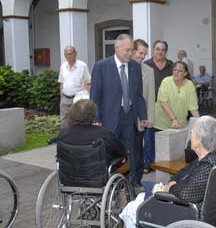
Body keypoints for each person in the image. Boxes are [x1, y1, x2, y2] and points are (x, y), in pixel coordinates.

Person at [119, 116, 216, 228]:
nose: (190, 137)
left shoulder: (207, 165)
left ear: (200, 139)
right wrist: (173, 183)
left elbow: (186, 193)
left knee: (134, 207)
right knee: (141, 194)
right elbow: (182, 173)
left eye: (191, 133)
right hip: (199, 208)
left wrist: (170, 188)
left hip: (186, 212)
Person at [90, 34, 147, 190]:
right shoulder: (101, 66)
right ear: (116, 48)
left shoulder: (135, 67)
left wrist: (143, 116)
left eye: (131, 50)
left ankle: (131, 185)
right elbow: (94, 96)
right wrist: (96, 119)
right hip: (109, 119)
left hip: (129, 117)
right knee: (110, 154)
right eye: (127, 50)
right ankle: (109, 187)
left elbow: (138, 95)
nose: (130, 53)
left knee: (131, 153)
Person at [58, 99, 127, 167]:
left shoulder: (63, 134)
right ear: (93, 114)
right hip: (98, 174)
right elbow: (121, 151)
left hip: (69, 175)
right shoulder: (103, 133)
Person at [144, 40, 173, 171]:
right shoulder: (146, 65)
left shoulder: (172, 66)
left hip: (167, 106)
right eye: (157, 49)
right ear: (153, 51)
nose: (160, 52)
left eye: (162, 49)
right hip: (150, 105)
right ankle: (149, 163)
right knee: (149, 136)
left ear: (166, 52)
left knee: (165, 136)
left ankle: (164, 163)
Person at [131, 39, 155, 184]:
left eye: (145, 54)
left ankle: (136, 181)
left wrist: (149, 119)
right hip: (124, 117)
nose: (142, 57)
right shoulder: (124, 67)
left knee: (138, 151)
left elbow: (150, 96)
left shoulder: (148, 71)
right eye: (140, 53)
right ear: (133, 51)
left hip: (141, 118)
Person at [154, 61, 199, 131]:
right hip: (161, 123)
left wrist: (200, 122)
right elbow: (163, 103)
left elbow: (193, 107)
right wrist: (174, 119)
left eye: (180, 71)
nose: (176, 72)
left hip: (180, 124)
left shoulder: (190, 85)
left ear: (185, 73)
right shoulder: (166, 81)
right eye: (175, 70)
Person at [58, 46, 91, 129]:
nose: (68, 56)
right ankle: (64, 138)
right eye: (66, 55)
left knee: (79, 120)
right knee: (64, 120)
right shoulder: (63, 66)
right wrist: (61, 98)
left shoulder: (82, 65)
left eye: (70, 54)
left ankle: (77, 139)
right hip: (65, 98)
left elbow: (88, 82)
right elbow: (61, 83)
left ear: (75, 54)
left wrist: (87, 99)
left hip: (78, 99)